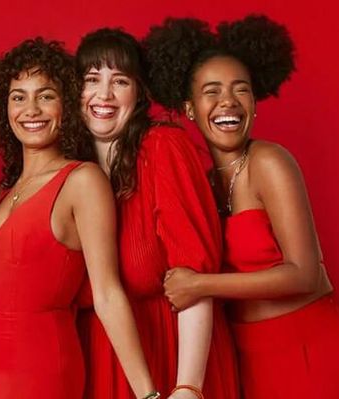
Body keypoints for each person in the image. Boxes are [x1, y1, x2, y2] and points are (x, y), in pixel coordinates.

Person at [144, 15, 339, 398]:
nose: (227, 102)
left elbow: (304, 275)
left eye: (241, 90)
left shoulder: (269, 162)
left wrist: (201, 285)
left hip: (310, 348)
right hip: (250, 359)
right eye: (211, 91)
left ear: (254, 102)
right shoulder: (202, 182)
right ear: (189, 107)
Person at [0, 38, 156, 399]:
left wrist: (148, 395)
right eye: (18, 96)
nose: (31, 109)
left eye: (46, 95)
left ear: (67, 104)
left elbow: (108, 293)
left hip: (42, 371)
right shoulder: (3, 194)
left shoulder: (82, 181)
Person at [72, 28, 240, 399]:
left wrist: (188, 387)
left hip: (170, 351)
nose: (104, 95)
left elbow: (195, 275)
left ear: (139, 92)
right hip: (98, 360)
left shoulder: (161, 148)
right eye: (91, 80)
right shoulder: (70, 169)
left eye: (120, 81)